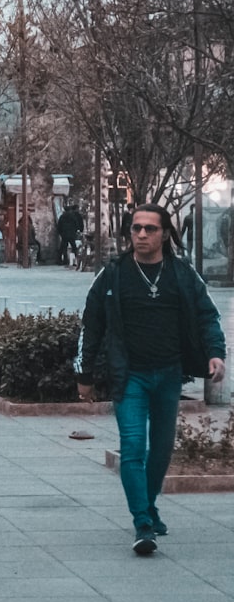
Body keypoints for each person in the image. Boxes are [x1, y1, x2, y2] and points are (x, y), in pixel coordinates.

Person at [75, 203, 225, 556]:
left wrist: (215, 352)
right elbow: (91, 323)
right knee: (132, 447)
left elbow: (208, 316)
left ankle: (150, 505)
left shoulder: (182, 274)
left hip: (170, 374)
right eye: (136, 228)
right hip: (129, 377)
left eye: (150, 229)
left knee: (160, 451)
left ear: (165, 233)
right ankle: (142, 522)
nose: (141, 234)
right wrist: (84, 374)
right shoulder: (113, 274)